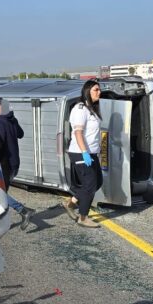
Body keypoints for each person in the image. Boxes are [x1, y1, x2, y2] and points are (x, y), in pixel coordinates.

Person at [0, 96, 33, 230]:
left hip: (5, 164)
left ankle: (23, 211)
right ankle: (0, 221)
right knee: (0, 194)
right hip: (15, 163)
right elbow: (21, 134)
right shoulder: (12, 119)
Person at [63, 79, 103, 228]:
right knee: (89, 185)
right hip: (80, 152)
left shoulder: (91, 109)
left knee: (97, 182)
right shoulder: (80, 109)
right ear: (87, 91)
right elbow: (78, 132)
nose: (99, 92)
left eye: (99, 90)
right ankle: (83, 217)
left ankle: (71, 204)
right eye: (96, 90)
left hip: (91, 152)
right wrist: (85, 152)